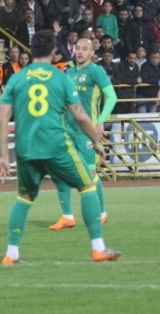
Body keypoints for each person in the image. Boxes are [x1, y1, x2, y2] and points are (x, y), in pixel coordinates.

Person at [0, 29, 121, 265]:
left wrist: (3, 156)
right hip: (56, 146)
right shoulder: (61, 76)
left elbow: (2, 120)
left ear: (30, 51)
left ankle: (11, 253)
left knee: (24, 198)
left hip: (26, 150)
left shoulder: (17, 78)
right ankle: (98, 248)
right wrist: (95, 140)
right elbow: (82, 116)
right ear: (54, 52)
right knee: (88, 186)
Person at [49, 38, 118, 231]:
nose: (80, 51)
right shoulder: (68, 72)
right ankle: (67, 216)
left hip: (86, 132)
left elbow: (112, 97)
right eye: (78, 48)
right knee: (61, 173)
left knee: (90, 174)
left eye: (84, 49)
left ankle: (101, 213)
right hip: (67, 130)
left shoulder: (96, 71)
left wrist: (100, 121)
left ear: (92, 53)